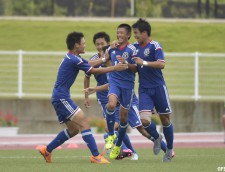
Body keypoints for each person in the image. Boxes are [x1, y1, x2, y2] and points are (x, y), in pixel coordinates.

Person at [38, 31, 127, 164]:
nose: (85, 46)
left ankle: (47, 150)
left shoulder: (73, 58)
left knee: (73, 130)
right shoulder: (74, 59)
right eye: (83, 43)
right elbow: (94, 70)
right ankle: (96, 156)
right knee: (84, 122)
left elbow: (90, 64)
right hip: (61, 98)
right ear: (76, 45)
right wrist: (115, 68)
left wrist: (104, 59)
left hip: (59, 97)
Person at [101, 23, 164, 160]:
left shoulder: (132, 49)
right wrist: (108, 49)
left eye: (122, 33)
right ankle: (112, 136)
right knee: (110, 104)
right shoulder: (113, 49)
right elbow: (104, 59)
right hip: (115, 83)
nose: (119, 35)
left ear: (128, 35)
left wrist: (126, 64)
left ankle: (120, 146)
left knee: (129, 123)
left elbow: (136, 68)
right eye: (117, 33)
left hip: (128, 87)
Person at [83, 31, 137, 160]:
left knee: (120, 124)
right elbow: (87, 75)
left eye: (102, 43)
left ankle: (122, 146)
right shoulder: (94, 60)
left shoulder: (115, 56)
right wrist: (86, 95)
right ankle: (126, 149)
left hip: (119, 92)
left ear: (108, 43)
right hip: (104, 96)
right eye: (97, 44)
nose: (100, 45)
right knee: (113, 126)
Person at [132, 18, 174, 162]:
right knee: (144, 120)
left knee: (165, 120)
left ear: (145, 33)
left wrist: (143, 62)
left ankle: (169, 150)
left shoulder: (155, 46)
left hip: (158, 88)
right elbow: (131, 62)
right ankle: (157, 137)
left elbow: (161, 64)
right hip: (144, 89)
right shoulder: (134, 47)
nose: (135, 36)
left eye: (136, 33)